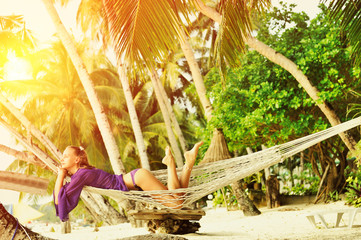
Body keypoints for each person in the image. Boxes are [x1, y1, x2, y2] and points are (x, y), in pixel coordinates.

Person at [54, 142, 204, 222]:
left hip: (137, 179)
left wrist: (60, 174)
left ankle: (170, 163)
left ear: (77, 160)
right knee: (179, 198)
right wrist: (62, 174)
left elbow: (58, 200)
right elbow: (59, 196)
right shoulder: (80, 174)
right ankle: (189, 162)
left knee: (176, 204)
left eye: (65, 156)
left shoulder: (81, 175)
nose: (62, 159)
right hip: (136, 178)